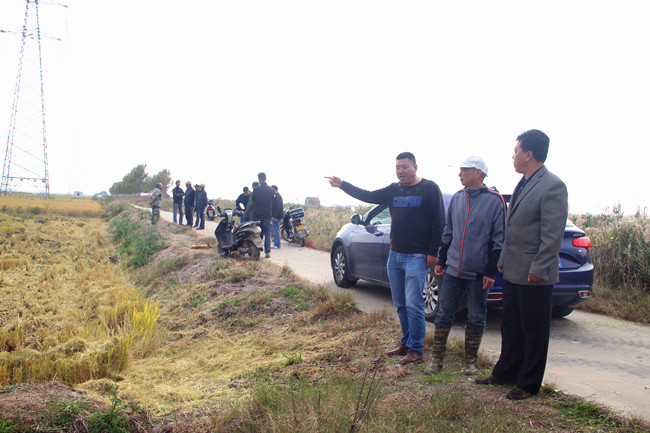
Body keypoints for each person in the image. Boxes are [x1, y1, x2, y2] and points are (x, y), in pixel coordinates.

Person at [475, 129, 568, 401]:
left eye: (516, 151)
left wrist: (539, 268)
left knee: (534, 330)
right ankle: (505, 372)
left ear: (528, 154)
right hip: (514, 270)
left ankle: (528, 384)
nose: (513, 156)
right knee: (511, 325)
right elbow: (513, 227)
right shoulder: (523, 183)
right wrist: (503, 261)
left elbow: (552, 235)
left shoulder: (552, 185)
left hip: (534, 273)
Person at [326, 152, 445, 364]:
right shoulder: (393, 190)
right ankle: (406, 342)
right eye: (398, 167)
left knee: (414, 304)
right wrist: (343, 185)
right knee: (400, 303)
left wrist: (433, 252)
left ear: (415, 167)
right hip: (395, 255)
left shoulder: (429, 188)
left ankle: (416, 350)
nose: (400, 171)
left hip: (417, 256)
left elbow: (439, 222)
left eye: (405, 167)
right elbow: (368, 195)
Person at [425, 156, 506, 376]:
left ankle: (470, 361)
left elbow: (499, 240)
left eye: (464, 170)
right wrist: (442, 261)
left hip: (479, 273)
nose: (459, 174)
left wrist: (490, 271)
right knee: (444, 314)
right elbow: (448, 232)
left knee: (476, 316)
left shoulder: (494, 201)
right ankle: (436, 360)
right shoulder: (458, 198)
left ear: (478, 173)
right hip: (453, 270)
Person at [251, 173, 274, 258]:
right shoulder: (271, 189)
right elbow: (272, 199)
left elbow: (253, 199)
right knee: (267, 233)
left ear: (259, 179)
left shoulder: (256, 189)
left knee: (258, 233)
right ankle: (267, 252)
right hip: (267, 214)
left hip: (258, 214)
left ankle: (258, 251)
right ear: (265, 178)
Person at [271, 185, 283, 249]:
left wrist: (274, 216)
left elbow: (277, 208)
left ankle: (277, 244)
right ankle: (277, 244)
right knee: (276, 231)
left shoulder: (278, 197)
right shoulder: (277, 197)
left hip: (276, 217)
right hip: (277, 216)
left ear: (275, 190)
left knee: (276, 231)